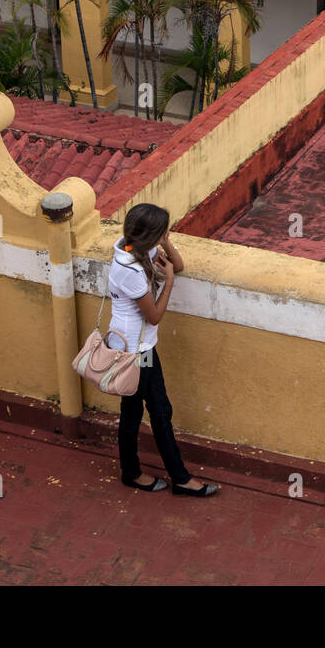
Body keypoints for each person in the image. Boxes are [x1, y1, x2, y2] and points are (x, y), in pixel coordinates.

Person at [106, 203, 218, 497]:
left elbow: (177, 264)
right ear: (149, 235)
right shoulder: (129, 267)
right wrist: (167, 282)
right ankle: (176, 478)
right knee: (157, 411)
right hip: (135, 350)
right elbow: (153, 315)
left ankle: (135, 472)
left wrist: (165, 240)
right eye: (161, 231)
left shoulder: (134, 248)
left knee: (139, 411)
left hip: (136, 346)